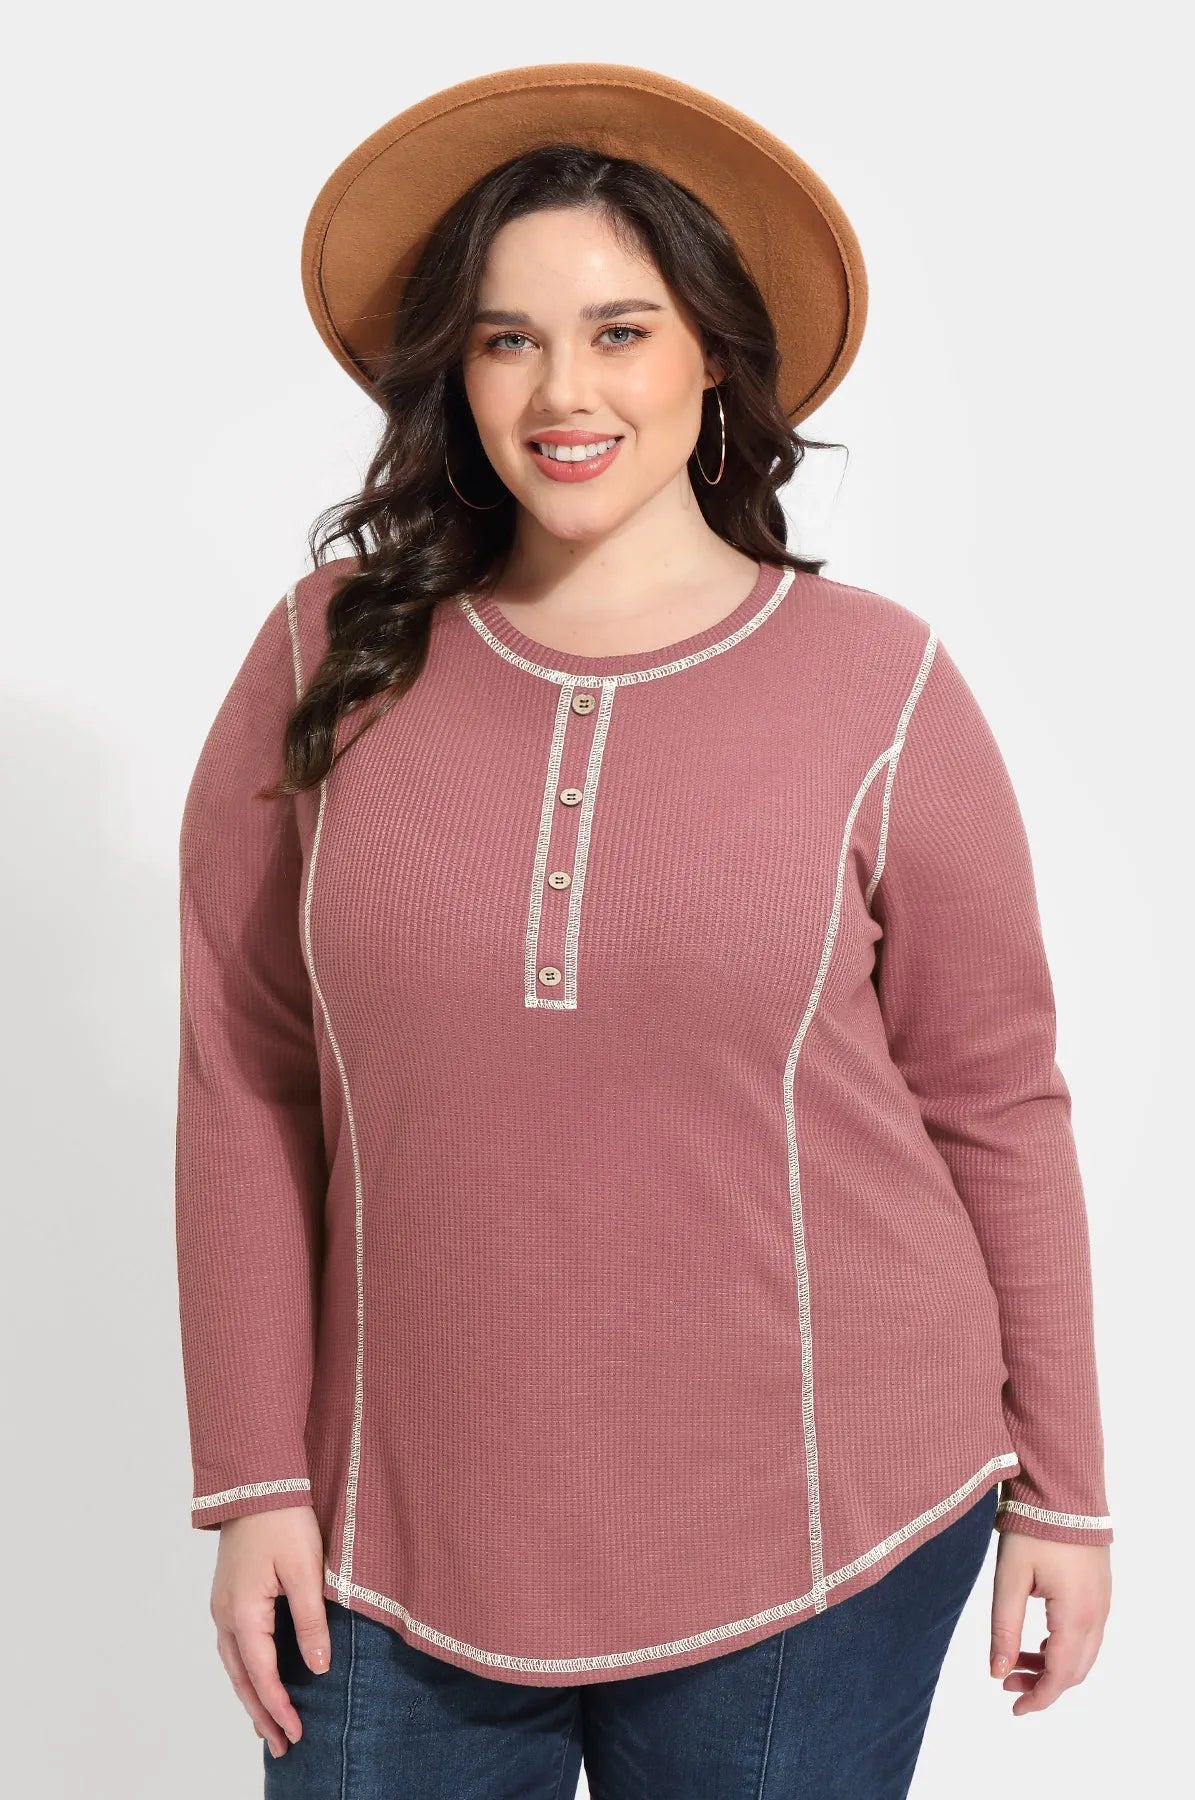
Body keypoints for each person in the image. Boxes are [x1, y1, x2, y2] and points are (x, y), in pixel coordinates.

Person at [174, 62, 1113, 1798]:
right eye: (508, 341)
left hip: (818, 1534)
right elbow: (245, 1074)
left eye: (621, 331)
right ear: (456, 375)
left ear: (712, 361)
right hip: (388, 1533)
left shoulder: (881, 687)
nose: (564, 392)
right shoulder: (329, 654)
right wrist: (251, 1479)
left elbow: (996, 1097)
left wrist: (1065, 1490)